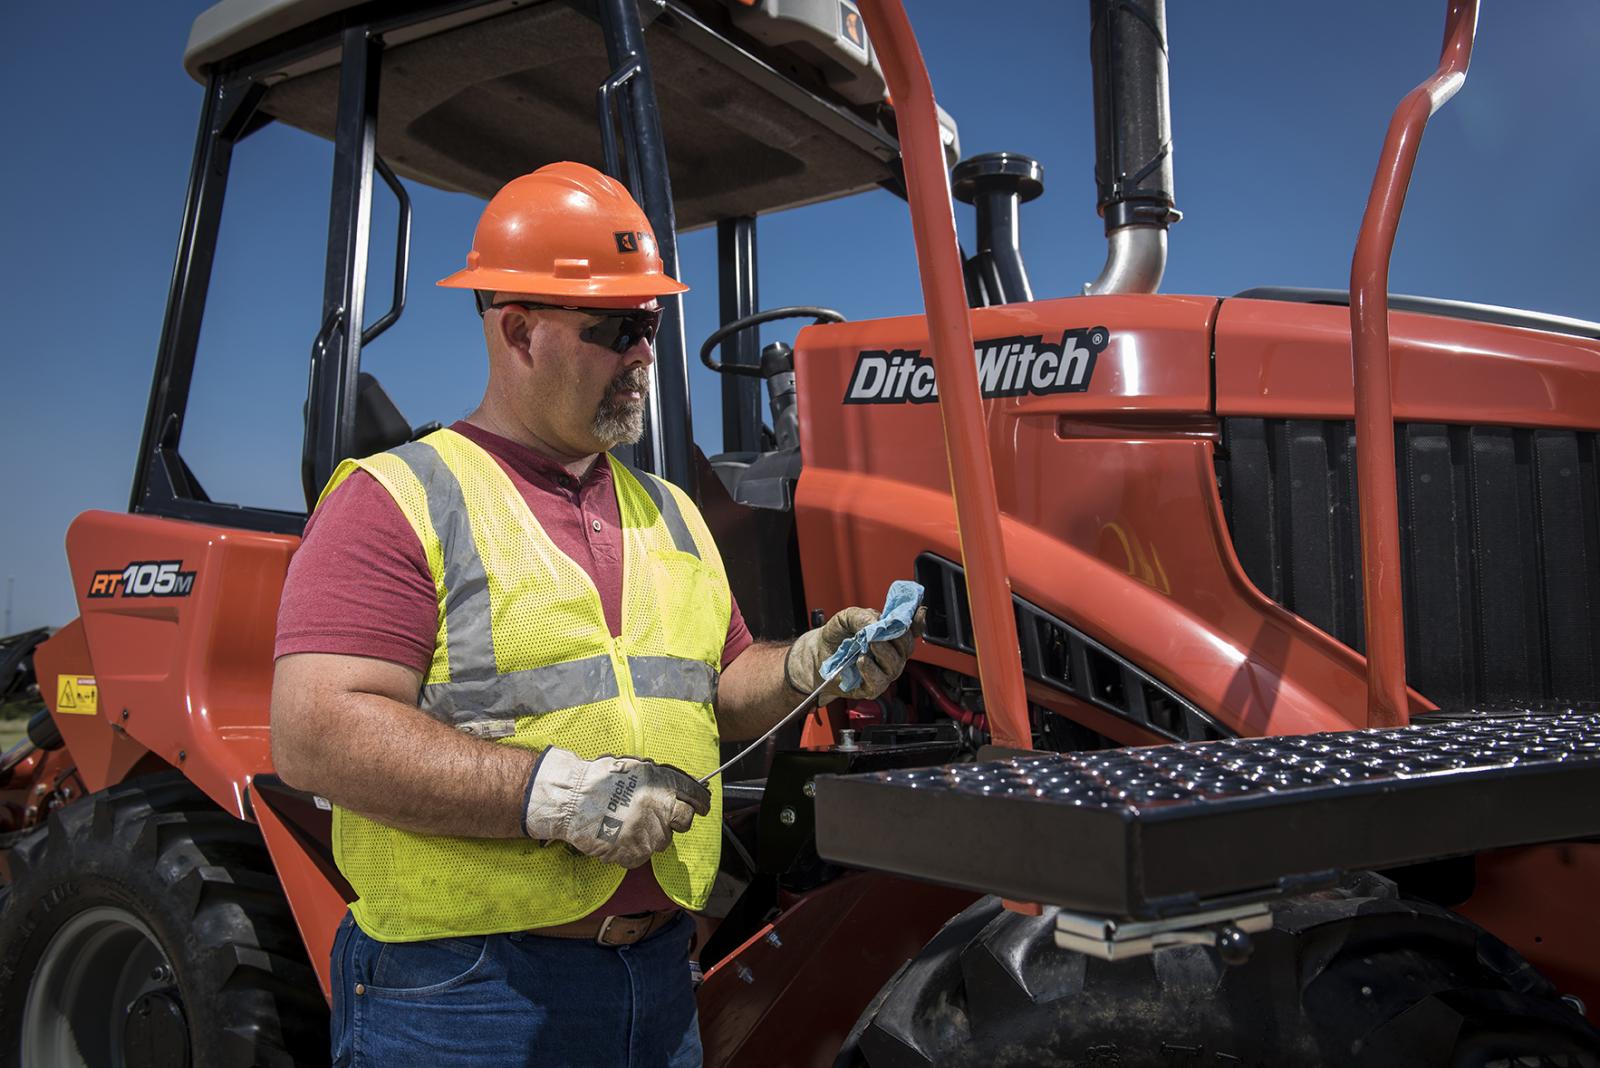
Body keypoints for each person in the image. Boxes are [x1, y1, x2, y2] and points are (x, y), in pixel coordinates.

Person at [269, 161, 920, 1068]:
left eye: (650, 324)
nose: (644, 353)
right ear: (519, 328)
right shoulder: (401, 498)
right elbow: (312, 732)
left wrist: (810, 664)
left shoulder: (672, 512)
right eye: (616, 326)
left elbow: (721, 688)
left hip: (655, 986)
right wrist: (549, 795)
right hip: (466, 997)